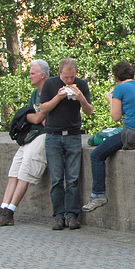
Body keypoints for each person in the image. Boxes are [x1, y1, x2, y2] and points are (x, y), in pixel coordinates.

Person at [82, 61, 135, 212]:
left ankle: (98, 195)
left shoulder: (119, 89)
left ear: (116, 77)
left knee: (96, 155)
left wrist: (110, 100)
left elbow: (115, 117)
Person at [0, 60, 49, 226]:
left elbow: (40, 119)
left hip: (43, 136)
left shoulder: (50, 91)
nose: (30, 76)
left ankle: (10, 211)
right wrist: (32, 117)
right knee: (14, 171)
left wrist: (32, 117)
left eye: (32, 73)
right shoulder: (35, 94)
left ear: (42, 75)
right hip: (31, 135)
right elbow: (29, 116)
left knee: (25, 171)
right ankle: (3, 207)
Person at [40, 58, 93, 231]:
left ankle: (72, 216)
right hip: (53, 135)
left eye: (72, 77)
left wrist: (80, 98)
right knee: (56, 179)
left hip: (73, 135)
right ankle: (58, 216)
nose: (69, 81)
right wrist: (59, 96)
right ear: (60, 72)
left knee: (72, 179)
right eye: (66, 78)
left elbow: (89, 111)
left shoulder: (81, 85)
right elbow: (43, 109)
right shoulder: (50, 84)